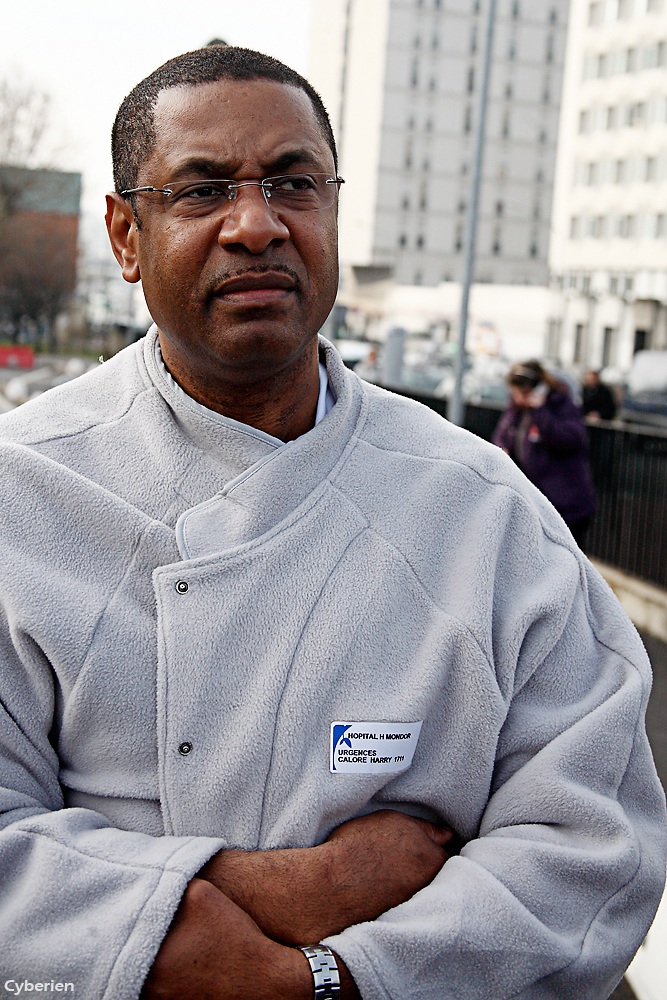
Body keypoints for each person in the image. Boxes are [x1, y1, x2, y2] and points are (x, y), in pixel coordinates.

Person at [0, 46, 664, 1000]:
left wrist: (336, 980)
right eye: (201, 191)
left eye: (293, 182)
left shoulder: (484, 511)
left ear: (334, 213)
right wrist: (288, 890)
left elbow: (594, 844)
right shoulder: (25, 492)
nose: (256, 223)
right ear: (124, 234)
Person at [493, 360, 597, 548]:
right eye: (514, 392)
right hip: (537, 505)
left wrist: (541, 411)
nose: (517, 398)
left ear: (540, 388)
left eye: (523, 392)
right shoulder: (516, 411)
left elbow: (569, 440)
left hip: (565, 507)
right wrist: (503, 449)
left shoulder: (559, 405)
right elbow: (502, 435)